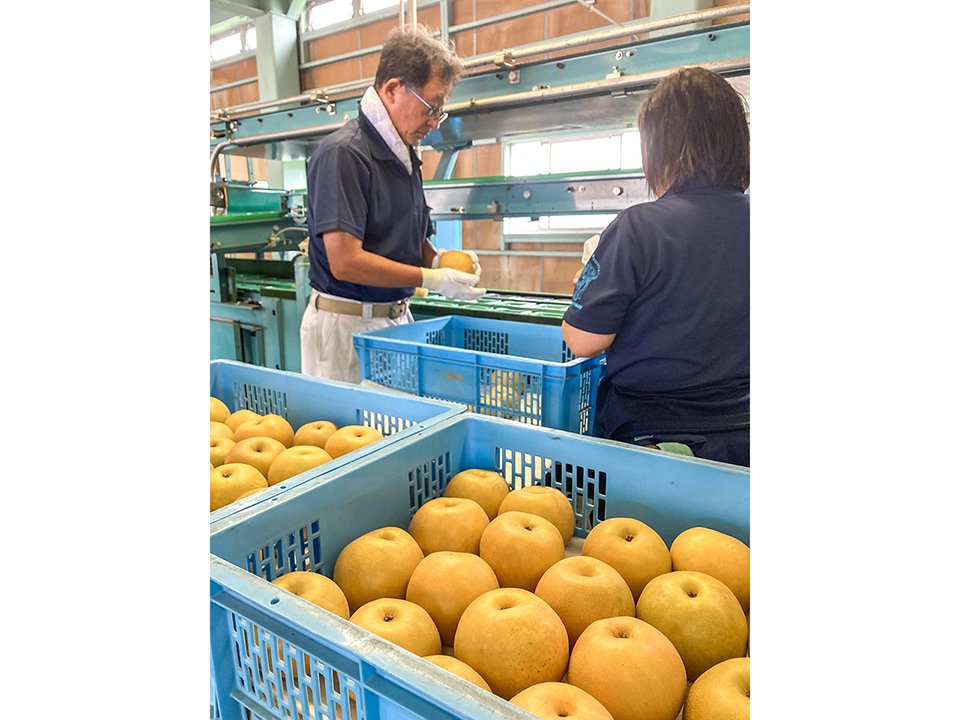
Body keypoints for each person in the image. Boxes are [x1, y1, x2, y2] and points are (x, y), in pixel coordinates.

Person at [561, 66, 750, 466]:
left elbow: (582, 340)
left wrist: (591, 288)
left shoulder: (640, 227)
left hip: (655, 443)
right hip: (743, 435)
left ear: (659, 149)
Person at [300, 24, 484, 383]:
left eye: (440, 112)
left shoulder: (404, 154)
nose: (434, 122)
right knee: (350, 438)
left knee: (397, 432)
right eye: (431, 107)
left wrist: (442, 261)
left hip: (395, 321)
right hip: (346, 328)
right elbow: (344, 261)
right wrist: (430, 277)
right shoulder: (345, 153)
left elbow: (407, 241)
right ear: (393, 89)